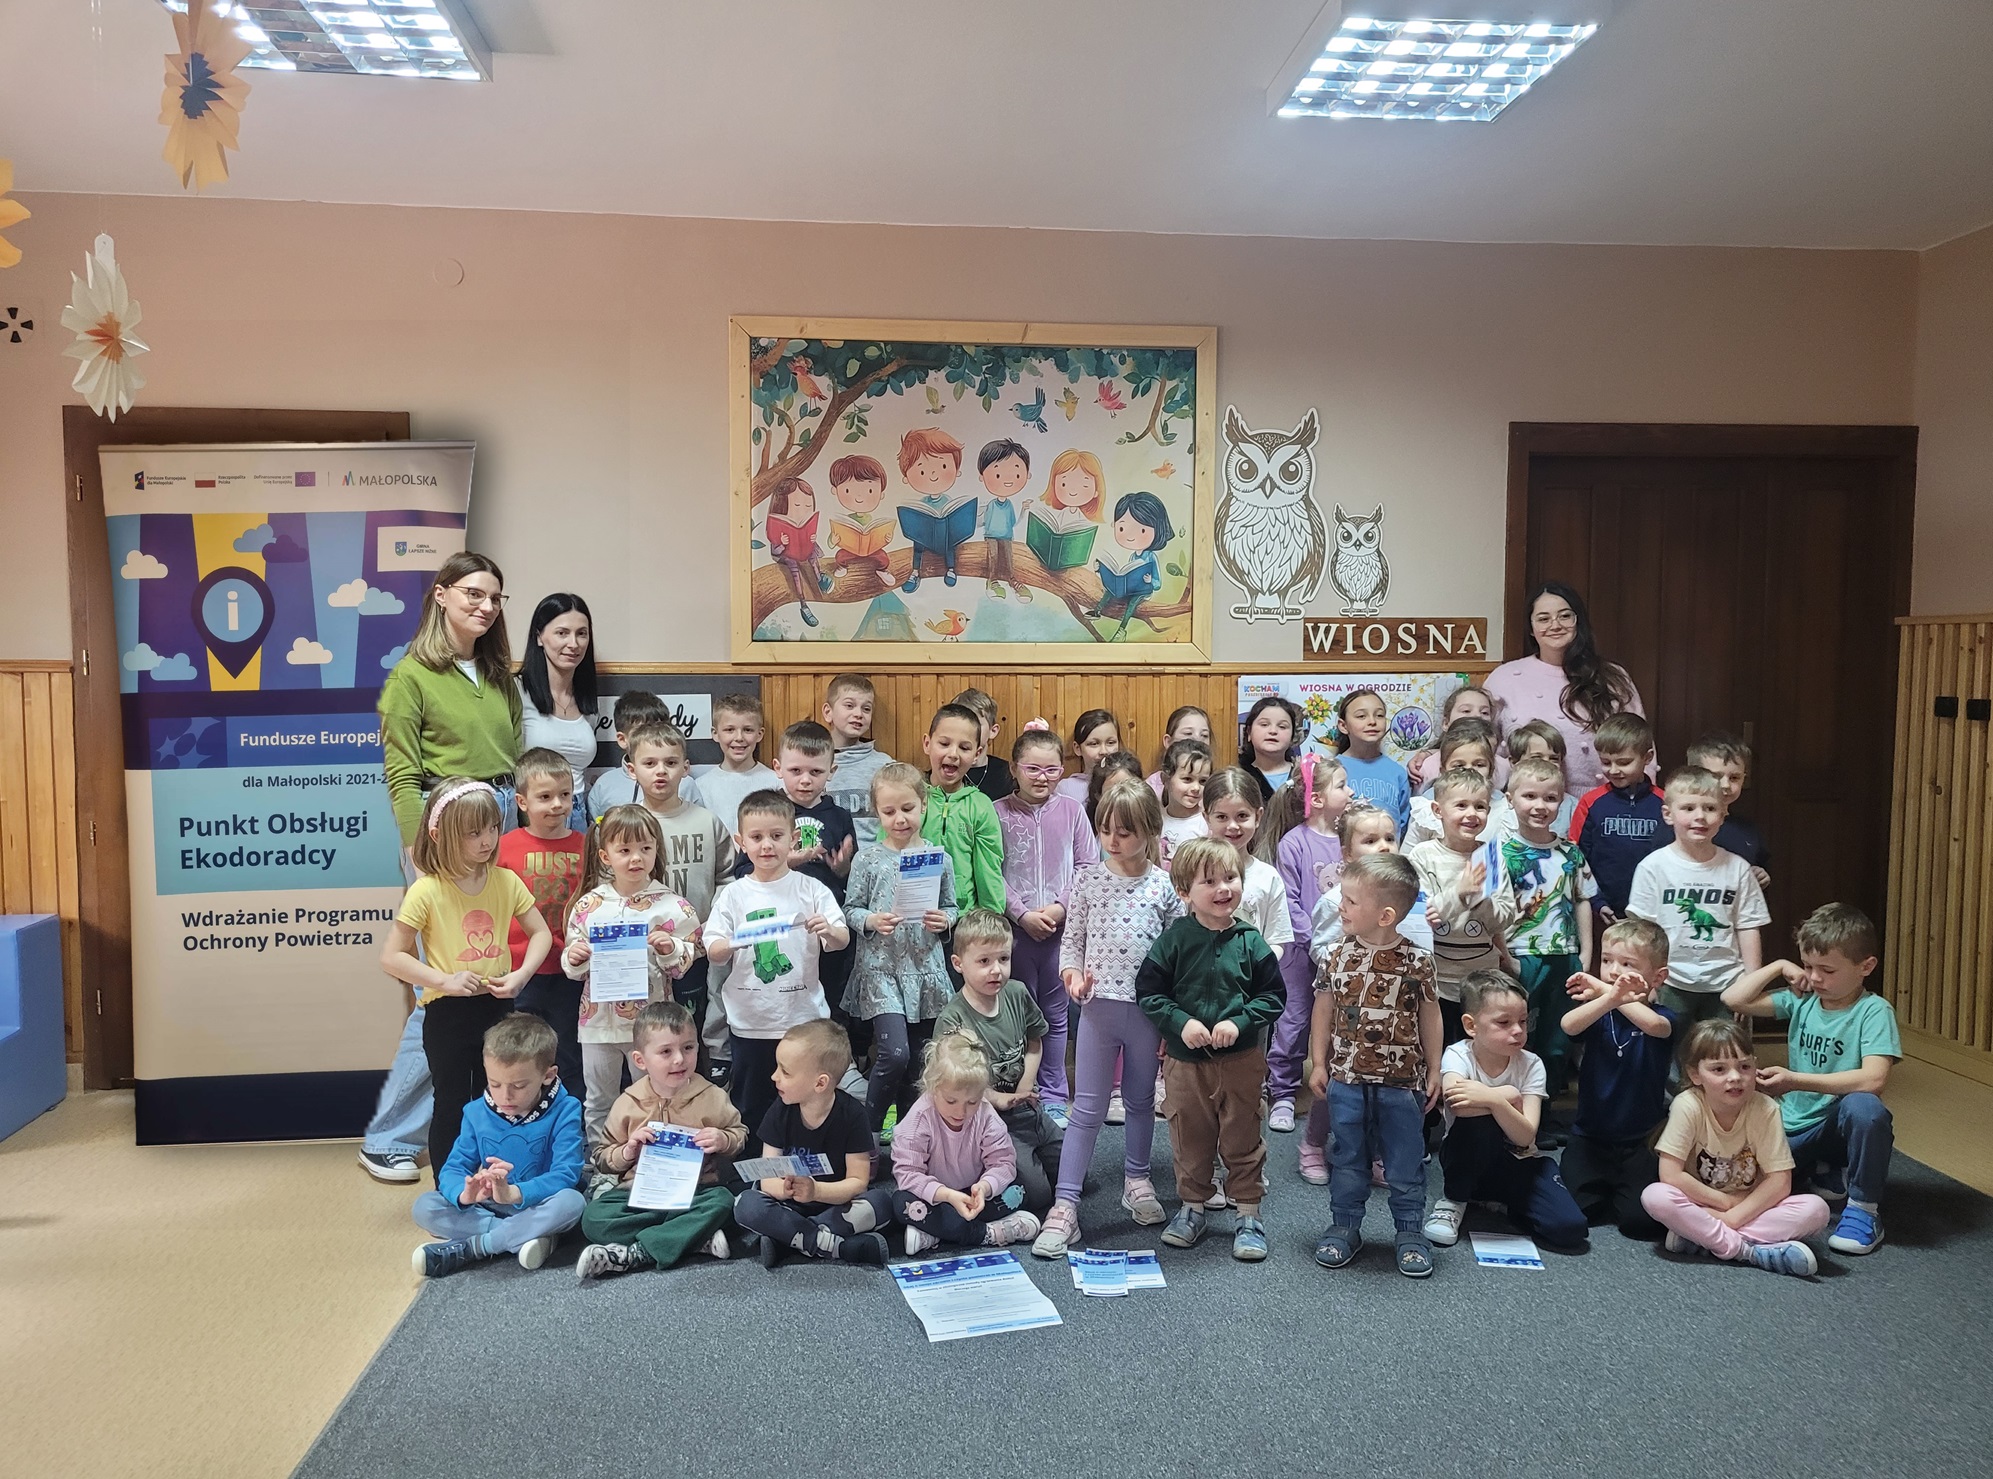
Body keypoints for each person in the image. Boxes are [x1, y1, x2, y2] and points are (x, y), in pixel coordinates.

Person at [363, 551, 522, 1185]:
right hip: (444, 827)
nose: (485, 606)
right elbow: (402, 772)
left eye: (495, 597)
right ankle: (389, 1137)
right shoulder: (411, 676)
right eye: (473, 593)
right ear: (441, 595)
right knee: (442, 989)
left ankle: (480, 1127)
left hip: (499, 816)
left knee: (486, 972)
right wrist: (421, 850)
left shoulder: (498, 674)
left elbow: (510, 757)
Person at [1031, 780, 1180, 1258]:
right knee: (1088, 1109)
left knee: (1140, 1101)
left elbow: (1177, 957)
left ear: (1150, 831)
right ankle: (1065, 1205)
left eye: (1125, 832)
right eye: (1105, 830)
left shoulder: (1163, 886)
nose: (1112, 840)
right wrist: (1072, 976)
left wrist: (1172, 1019)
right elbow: (1071, 942)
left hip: (1148, 1015)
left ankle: (1137, 1178)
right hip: (1097, 1011)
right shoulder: (1088, 880)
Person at [380, 779, 551, 1180]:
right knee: (454, 1103)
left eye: (492, 828)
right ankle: (451, 1187)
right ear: (441, 835)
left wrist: (521, 974)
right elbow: (392, 957)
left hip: (499, 1009)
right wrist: (445, 981)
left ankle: (503, 1182)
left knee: (503, 1100)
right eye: (474, 832)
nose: (487, 840)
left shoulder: (506, 881)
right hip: (447, 1015)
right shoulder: (426, 891)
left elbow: (541, 933)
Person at [1136, 837, 1285, 1260]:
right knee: (1190, 1137)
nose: (1223, 889)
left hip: (1241, 1062)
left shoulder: (1251, 940)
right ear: (1184, 892)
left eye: (1230, 878)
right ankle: (1193, 1207)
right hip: (1186, 1064)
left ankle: (1248, 1214)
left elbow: (1273, 997)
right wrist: (1181, 1023)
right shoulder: (1174, 940)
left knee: (1243, 1135)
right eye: (1209, 882)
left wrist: (1239, 1022)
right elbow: (1149, 992)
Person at [1722, 903, 1898, 1255]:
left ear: (1866, 967)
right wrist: (1779, 965)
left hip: (1834, 1126)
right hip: (1790, 1126)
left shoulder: (1874, 1011)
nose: (1815, 978)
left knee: (1866, 1109)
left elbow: (1874, 1079)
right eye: (1807, 966)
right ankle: (1821, 1169)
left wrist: (1795, 1081)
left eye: (1827, 970)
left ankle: (1864, 1210)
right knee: (1740, 1184)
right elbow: (1732, 998)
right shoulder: (1802, 1000)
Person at [1307, 853, 1442, 1278]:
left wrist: (1435, 1069)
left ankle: (1410, 1232)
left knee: (1405, 1161)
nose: (1340, 907)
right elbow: (1323, 1009)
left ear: (1385, 915)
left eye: (1350, 901)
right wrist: (1318, 1061)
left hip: (1402, 1082)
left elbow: (1430, 1015)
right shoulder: (1334, 956)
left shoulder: (1418, 961)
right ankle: (1344, 1225)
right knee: (1348, 1156)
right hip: (1347, 1077)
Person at [1299, 802, 1433, 1185]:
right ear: (1346, 854)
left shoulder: (1407, 899)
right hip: (1347, 1013)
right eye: (1370, 840)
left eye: (1390, 838)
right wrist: (1357, 954)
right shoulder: (1335, 903)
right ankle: (1313, 1143)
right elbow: (1320, 949)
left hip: (1390, 1012)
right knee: (1334, 1087)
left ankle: (1374, 1151)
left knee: (1378, 1090)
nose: (1384, 846)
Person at [706, 789, 850, 1135]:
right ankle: (753, 1164)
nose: (767, 845)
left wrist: (829, 930)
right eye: (756, 838)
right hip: (750, 1021)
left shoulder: (811, 889)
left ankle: (801, 1157)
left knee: (805, 1100)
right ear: (741, 842)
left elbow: (841, 939)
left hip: (802, 1019)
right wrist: (730, 944)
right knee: (751, 1102)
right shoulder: (733, 894)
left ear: (794, 838)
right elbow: (713, 948)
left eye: (776, 836)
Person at [1639, 1018, 1829, 1276]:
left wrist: (1732, 1218)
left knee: (1816, 1210)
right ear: (1695, 1074)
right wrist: (1725, 1202)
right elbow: (1671, 1175)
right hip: (1703, 1204)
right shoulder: (1687, 1105)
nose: (1735, 1077)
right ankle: (1748, 1252)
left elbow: (1779, 1182)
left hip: (1748, 1208)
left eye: (1745, 1066)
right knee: (1656, 1196)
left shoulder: (1766, 1109)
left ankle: (1702, 1238)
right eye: (1719, 1069)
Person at [561, 805, 701, 1146]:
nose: (636, 858)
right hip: (598, 1024)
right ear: (605, 856)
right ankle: (603, 1161)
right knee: (599, 1100)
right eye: (624, 850)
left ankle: (653, 1162)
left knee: (655, 1096)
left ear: (656, 850)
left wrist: (669, 948)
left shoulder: (672, 905)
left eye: (645, 848)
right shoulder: (589, 905)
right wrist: (575, 958)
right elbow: (573, 963)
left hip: (653, 1028)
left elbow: (685, 962)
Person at [575, 1000, 746, 1277]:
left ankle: (635, 1253)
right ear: (640, 1060)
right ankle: (688, 1238)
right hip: (639, 1195)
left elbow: (739, 1135)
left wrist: (723, 1140)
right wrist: (627, 1152)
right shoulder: (628, 1102)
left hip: (696, 1193)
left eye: (688, 1048)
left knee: (724, 1202)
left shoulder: (712, 1096)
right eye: (666, 1051)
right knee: (594, 1218)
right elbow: (603, 1157)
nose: (679, 1059)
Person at [1422, 971, 1588, 1252]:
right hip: (1466, 1157)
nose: (1518, 1031)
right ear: (1471, 1025)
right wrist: (1510, 1097)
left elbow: (1525, 1137)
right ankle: (1453, 1200)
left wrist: (1495, 1100)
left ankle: (1496, 1202)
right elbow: (1460, 1108)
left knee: (1570, 1228)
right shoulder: (1458, 1055)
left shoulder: (1532, 1064)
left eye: (1523, 1021)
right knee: (1479, 1124)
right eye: (1504, 1022)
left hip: (1519, 1161)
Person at [409, 1013, 584, 1278]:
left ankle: (476, 1247)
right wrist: (465, 1194)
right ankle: (526, 1236)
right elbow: (453, 1169)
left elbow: (566, 1174)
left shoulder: (566, 1109)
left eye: (519, 1086)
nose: (505, 1096)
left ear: (548, 1075)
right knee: (425, 1207)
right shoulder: (475, 1112)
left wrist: (514, 1193)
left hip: (539, 1204)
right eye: (495, 1084)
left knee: (572, 1203)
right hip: (489, 1208)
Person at [841, 762, 960, 1141]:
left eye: (907, 809)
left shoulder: (939, 858)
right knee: (895, 1054)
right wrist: (871, 920)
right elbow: (850, 909)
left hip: (925, 969)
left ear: (923, 805)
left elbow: (952, 906)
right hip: (881, 970)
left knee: (919, 1063)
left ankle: (911, 1140)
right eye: (889, 811)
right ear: (877, 813)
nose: (900, 819)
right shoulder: (868, 859)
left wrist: (945, 920)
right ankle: (867, 1135)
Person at [994, 723, 1098, 1117]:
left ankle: (1054, 1094)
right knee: (1019, 1011)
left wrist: (1058, 908)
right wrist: (1021, 913)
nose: (1042, 778)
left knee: (1055, 1013)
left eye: (1052, 769)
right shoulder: (997, 812)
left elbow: (1087, 865)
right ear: (1015, 769)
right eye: (1033, 769)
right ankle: (1021, 1091)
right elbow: (991, 871)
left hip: (1060, 932)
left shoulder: (1072, 811)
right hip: (1015, 934)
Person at [733, 1019, 895, 1267]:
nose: (774, 1076)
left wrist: (816, 1191)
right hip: (789, 1206)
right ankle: (835, 1246)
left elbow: (858, 1182)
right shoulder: (780, 1110)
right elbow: (767, 1178)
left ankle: (790, 1240)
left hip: (835, 1205)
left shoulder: (853, 1115)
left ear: (820, 1083)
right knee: (746, 1204)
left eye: (785, 1072)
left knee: (881, 1203)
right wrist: (787, 1190)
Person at [734, 721, 858, 1041]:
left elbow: (849, 875)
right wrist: (790, 860)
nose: (805, 780)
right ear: (778, 768)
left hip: (823, 921)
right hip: (778, 922)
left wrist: (842, 867)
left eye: (815, 772)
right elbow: (742, 870)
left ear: (831, 771)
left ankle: (832, 1050)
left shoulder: (840, 816)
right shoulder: (765, 812)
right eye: (795, 770)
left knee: (830, 989)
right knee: (781, 988)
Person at [935, 910, 1066, 1214]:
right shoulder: (952, 1019)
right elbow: (955, 1082)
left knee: (1076, 1177)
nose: (996, 970)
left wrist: (1024, 1086)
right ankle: (983, 1171)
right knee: (1039, 1196)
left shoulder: (1017, 993)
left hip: (1029, 1110)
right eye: (984, 961)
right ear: (958, 964)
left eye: (1003, 959)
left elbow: (1034, 1041)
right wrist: (997, 1099)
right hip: (988, 1120)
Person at [1558, 918, 1676, 1239]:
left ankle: (1620, 1188)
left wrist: (1607, 992)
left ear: (1658, 977)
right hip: (1590, 1136)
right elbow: (1569, 1025)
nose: (1613, 972)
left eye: (1627, 964)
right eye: (1607, 960)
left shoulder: (1664, 1016)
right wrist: (1609, 998)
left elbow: (1655, 1027)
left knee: (1641, 1224)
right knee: (1577, 1213)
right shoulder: (1600, 1009)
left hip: (1641, 1139)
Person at [620, 722, 732, 1056]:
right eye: (650, 763)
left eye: (670, 763)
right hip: (641, 952)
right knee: (647, 1032)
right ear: (631, 769)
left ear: (686, 768)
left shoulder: (707, 821)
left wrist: (714, 922)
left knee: (690, 1025)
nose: (661, 771)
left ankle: (699, 1077)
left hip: (694, 947)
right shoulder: (622, 826)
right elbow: (608, 887)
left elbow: (727, 877)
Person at [1626, 766, 1767, 1028]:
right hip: (1670, 981)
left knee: (1726, 1049)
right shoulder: (1652, 867)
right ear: (1668, 814)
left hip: (1728, 983)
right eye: (1688, 808)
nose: (1700, 816)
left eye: (1710, 808)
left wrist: (1751, 984)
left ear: (1723, 815)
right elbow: (1643, 931)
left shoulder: (1738, 869)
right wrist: (1646, 981)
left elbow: (1748, 927)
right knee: (1669, 1049)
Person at [1485, 580, 1645, 796]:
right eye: (1543, 619)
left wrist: (1639, 801)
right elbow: (1478, 746)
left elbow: (1639, 743)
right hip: (1527, 805)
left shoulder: (1612, 677)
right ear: (1531, 628)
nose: (1555, 625)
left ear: (1578, 620)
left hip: (1606, 804)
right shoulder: (1503, 678)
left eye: (1565, 616)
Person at [1499, 754, 1597, 1098]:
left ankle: (1547, 1108)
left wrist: (1585, 953)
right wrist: (1505, 958)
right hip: (1520, 956)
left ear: (1561, 802)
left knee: (1557, 1039)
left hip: (1564, 957)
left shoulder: (1571, 853)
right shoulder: (1501, 852)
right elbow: (1491, 912)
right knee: (1517, 1034)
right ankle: (1514, 1107)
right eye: (1530, 796)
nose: (1540, 806)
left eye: (1550, 798)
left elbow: (1582, 899)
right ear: (1510, 799)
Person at [1262, 754, 1349, 1133]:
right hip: (1301, 954)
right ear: (1317, 799)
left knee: (1339, 1022)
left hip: (1343, 953)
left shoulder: (1349, 840)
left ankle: (1338, 1090)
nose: (1350, 792)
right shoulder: (1293, 843)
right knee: (1294, 1021)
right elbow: (1289, 900)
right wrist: (1316, 941)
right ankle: (1282, 1092)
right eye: (1342, 785)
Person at [894, 1033, 1042, 1253]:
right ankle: (986, 1234)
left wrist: (985, 1187)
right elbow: (908, 1174)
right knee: (902, 1203)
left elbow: (1003, 1163)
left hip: (974, 1196)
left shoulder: (986, 1114)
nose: (960, 1112)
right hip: (937, 1199)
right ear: (933, 1087)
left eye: (972, 1102)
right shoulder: (918, 1120)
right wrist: (946, 1195)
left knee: (1020, 1190)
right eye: (951, 1101)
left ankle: (937, 1233)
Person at [500, 749, 589, 1097]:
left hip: (570, 971)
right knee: (517, 1053)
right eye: (545, 797)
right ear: (522, 801)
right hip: (520, 971)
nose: (557, 804)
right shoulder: (504, 848)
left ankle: (572, 1120)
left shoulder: (585, 846)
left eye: (565, 795)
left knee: (569, 1054)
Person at [1408, 767, 1517, 1043]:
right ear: (1438, 810)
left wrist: (1479, 899)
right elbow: (1424, 916)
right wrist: (1459, 893)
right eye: (1461, 805)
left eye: (1480, 806)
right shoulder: (1423, 856)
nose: (1472, 813)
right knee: (1439, 1048)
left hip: (1482, 979)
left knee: (1482, 1046)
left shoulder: (1490, 857)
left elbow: (1503, 919)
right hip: (1436, 979)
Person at [1569, 712, 1667, 925]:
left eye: (1624, 762)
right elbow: (1576, 858)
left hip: (1654, 912)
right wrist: (1596, 901)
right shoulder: (1590, 802)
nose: (1613, 770)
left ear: (1647, 757)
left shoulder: (1665, 803)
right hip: (1602, 911)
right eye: (1606, 762)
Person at [516, 592, 598, 831]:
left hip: (577, 811)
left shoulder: (587, 702)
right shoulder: (517, 691)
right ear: (539, 637)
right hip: (533, 816)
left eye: (581, 634)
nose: (574, 644)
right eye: (562, 633)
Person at [920, 704, 1006, 914]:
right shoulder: (908, 796)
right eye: (944, 744)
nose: (953, 754)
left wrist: (992, 917)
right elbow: (887, 853)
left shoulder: (981, 806)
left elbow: (989, 870)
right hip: (911, 917)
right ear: (927, 744)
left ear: (977, 754)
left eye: (964, 748)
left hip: (963, 919)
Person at [1403, 719, 1515, 847]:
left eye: (1479, 765)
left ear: (1491, 770)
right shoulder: (1427, 806)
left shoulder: (1503, 807)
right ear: (1443, 771)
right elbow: (1408, 853)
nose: (1469, 770)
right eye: (1459, 765)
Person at [1687, 733, 1772, 891]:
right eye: (1716, 776)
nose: (1726, 785)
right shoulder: (1681, 825)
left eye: (1734, 778)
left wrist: (1761, 874)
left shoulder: (1748, 830)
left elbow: (1761, 865)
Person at [686, 691, 779, 838]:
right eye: (730, 730)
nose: (739, 737)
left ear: (760, 734)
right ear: (715, 734)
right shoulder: (701, 787)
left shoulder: (776, 783)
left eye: (747, 730)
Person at [896, 427, 971, 594]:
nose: (933, 475)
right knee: (917, 545)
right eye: (922, 471)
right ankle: (915, 572)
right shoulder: (922, 503)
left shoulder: (948, 501)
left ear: (957, 470)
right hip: (925, 538)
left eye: (943, 465)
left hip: (945, 537)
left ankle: (950, 569)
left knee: (951, 545)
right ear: (906, 478)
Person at [823, 674, 891, 845]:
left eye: (866, 709)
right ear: (828, 712)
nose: (858, 714)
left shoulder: (884, 766)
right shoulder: (811, 764)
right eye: (849, 705)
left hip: (875, 857)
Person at [1406, 685, 1509, 794]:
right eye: (1466, 710)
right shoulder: (1428, 766)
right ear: (1446, 723)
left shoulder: (1504, 768)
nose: (1476, 716)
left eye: (1484, 712)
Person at [584, 689, 668, 820]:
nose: (652, 739)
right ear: (623, 740)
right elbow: (595, 829)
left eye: (660, 730)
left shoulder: (684, 783)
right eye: (642, 732)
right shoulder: (604, 786)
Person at [1333, 689, 1409, 832]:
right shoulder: (1332, 770)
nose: (1372, 721)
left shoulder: (1397, 772)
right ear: (1343, 726)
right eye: (1361, 716)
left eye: (1379, 715)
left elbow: (1403, 825)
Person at [765, 476, 833, 627]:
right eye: (796, 505)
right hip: (787, 555)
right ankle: (803, 605)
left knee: (813, 556)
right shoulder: (776, 525)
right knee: (795, 570)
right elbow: (775, 551)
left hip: (803, 550)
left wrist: (811, 539)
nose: (803, 510)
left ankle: (819, 578)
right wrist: (782, 544)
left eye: (808, 506)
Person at [977, 439, 1030, 600]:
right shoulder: (991, 504)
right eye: (998, 475)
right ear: (982, 477)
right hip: (991, 536)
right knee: (993, 556)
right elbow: (981, 522)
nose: (1007, 480)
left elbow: (1013, 523)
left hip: (1006, 536)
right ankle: (992, 581)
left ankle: (1012, 580)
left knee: (1008, 557)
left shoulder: (1009, 505)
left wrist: (1023, 510)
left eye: (1017, 475)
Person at [1505, 720, 1575, 837]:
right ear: (1514, 762)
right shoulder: (1499, 809)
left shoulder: (1572, 807)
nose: (1546, 763)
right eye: (1536, 758)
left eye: (1554, 758)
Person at [950, 686, 1016, 801]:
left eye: (976, 723)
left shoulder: (1008, 774)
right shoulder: (947, 770)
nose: (968, 730)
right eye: (962, 724)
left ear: (992, 731)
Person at [1156, 737, 1212, 865]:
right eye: (1187, 779)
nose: (1196, 788)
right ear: (1165, 779)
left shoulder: (1207, 823)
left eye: (1203, 781)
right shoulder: (1156, 820)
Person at [1238, 694, 1303, 804]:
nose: (1273, 731)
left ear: (1292, 736)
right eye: (1264, 724)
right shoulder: (1239, 777)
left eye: (1282, 726)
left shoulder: (1303, 776)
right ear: (1249, 732)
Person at [1055, 708, 1123, 805]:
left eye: (1111, 743)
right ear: (1078, 748)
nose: (1104, 751)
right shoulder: (1066, 789)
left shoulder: (1128, 783)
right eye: (1094, 744)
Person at [1146, 706, 1214, 794]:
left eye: (1204, 735)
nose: (1197, 740)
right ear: (1168, 741)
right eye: (1188, 733)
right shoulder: (1151, 789)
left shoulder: (1216, 786)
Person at [1084, 749, 1147, 830]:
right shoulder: (1087, 829)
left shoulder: (1149, 825)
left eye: (1129, 788)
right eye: (1112, 791)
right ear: (1098, 796)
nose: (1120, 797)